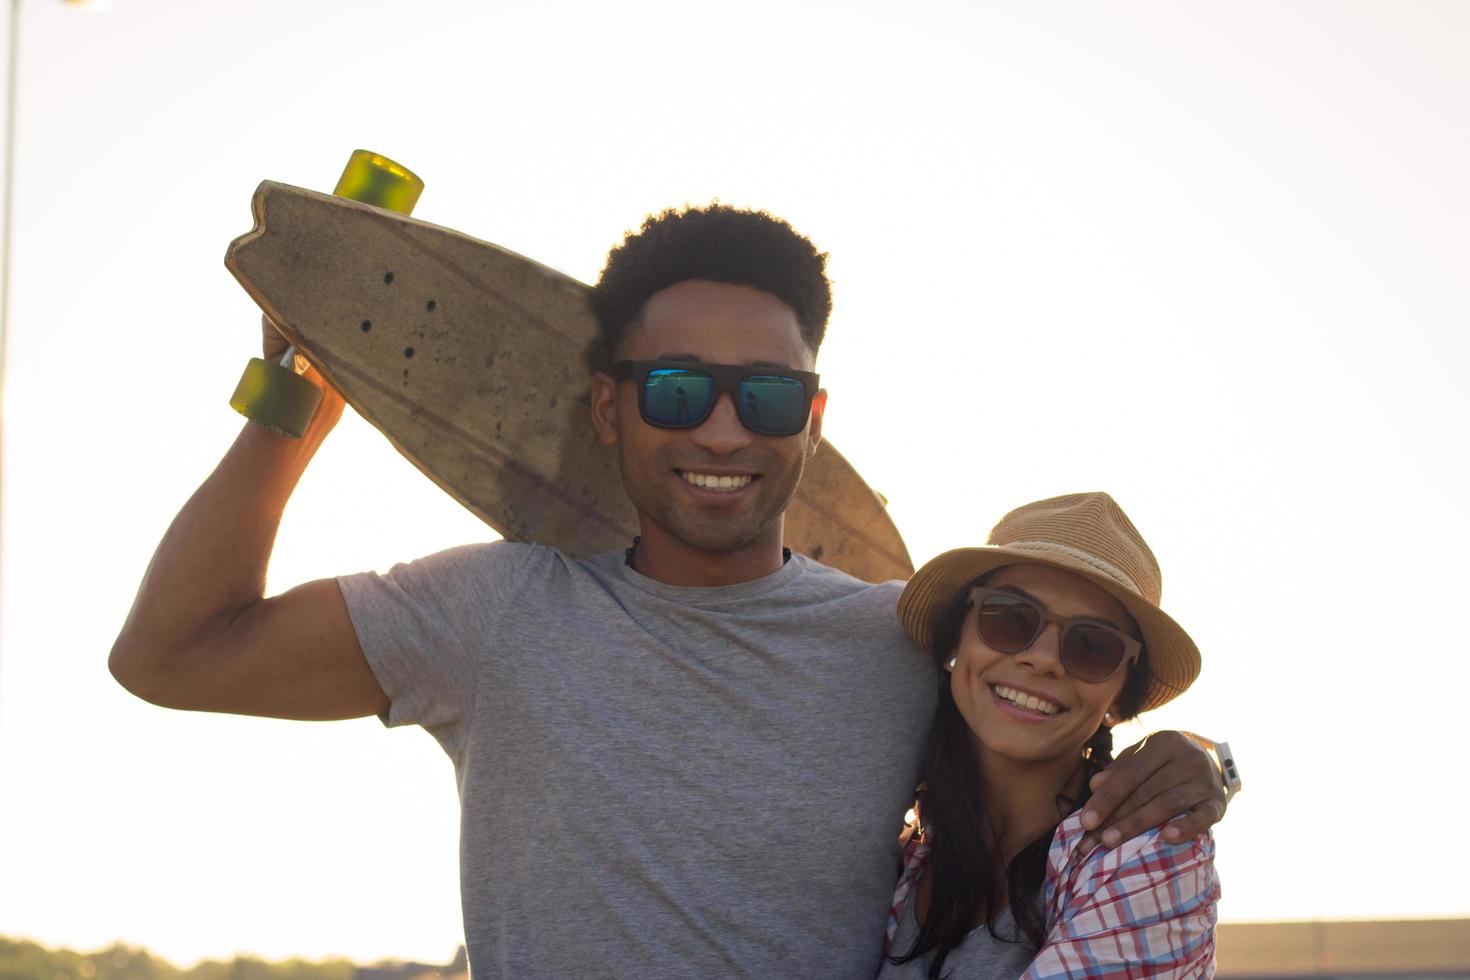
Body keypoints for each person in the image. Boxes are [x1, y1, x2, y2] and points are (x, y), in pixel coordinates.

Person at [109, 205, 1230, 979]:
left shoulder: (896, 637)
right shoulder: (489, 610)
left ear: (815, 420)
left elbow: (1045, 730)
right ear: (608, 409)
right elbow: (172, 652)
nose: (725, 431)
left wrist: (1203, 762)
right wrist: (293, 399)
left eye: (770, 398)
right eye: (680, 390)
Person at [881, 493, 1219, 979]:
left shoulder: (1151, 854)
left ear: (1122, 697)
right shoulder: (904, 859)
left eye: (1092, 646)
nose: (1043, 658)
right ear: (958, 637)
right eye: (1010, 617)